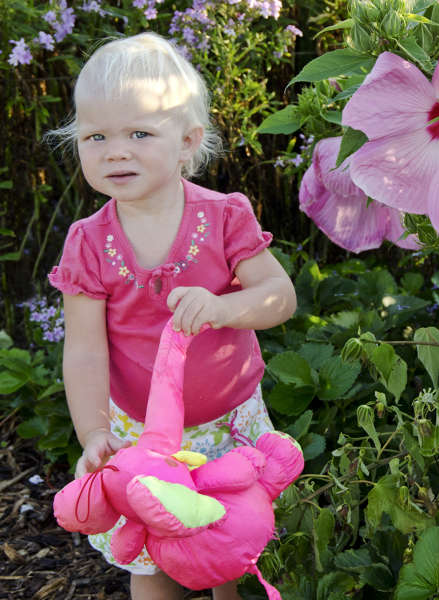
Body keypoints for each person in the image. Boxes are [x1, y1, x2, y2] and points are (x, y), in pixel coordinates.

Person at [47, 32, 297, 600]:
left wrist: (224, 307)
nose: (116, 150)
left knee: (226, 545)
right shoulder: (88, 242)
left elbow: (280, 297)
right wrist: (94, 432)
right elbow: (85, 350)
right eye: (96, 136)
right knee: (151, 557)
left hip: (228, 423)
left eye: (139, 133)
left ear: (187, 142)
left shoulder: (223, 217)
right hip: (139, 432)